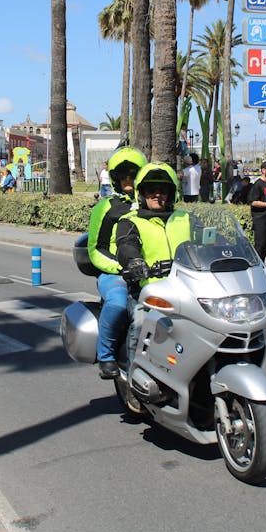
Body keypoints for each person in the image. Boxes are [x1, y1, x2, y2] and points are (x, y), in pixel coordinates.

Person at [116, 162, 193, 353]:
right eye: (151, 190)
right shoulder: (131, 221)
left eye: (163, 190)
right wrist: (134, 260)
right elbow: (126, 245)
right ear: (142, 193)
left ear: (172, 193)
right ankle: (131, 374)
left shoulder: (186, 218)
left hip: (186, 289)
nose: (158, 194)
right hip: (148, 291)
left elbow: (209, 240)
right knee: (141, 326)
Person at [87, 147, 146, 378]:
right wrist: (121, 268)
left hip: (148, 272)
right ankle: (106, 356)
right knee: (118, 303)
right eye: (124, 175)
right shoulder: (106, 208)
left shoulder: (150, 204)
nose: (129, 180)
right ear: (115, 178)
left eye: (134, 174)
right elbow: (95, 249)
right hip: (116, 274)